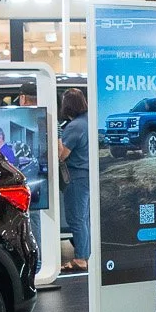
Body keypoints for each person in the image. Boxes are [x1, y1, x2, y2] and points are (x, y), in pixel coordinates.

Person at [58, 87, 91, 273]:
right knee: (84, 218)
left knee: (76, 219)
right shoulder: (87, 121)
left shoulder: (74, 126)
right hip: (86, 175)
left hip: (76, 176)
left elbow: (62, 155)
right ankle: (86, 254)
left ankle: (80, 259)